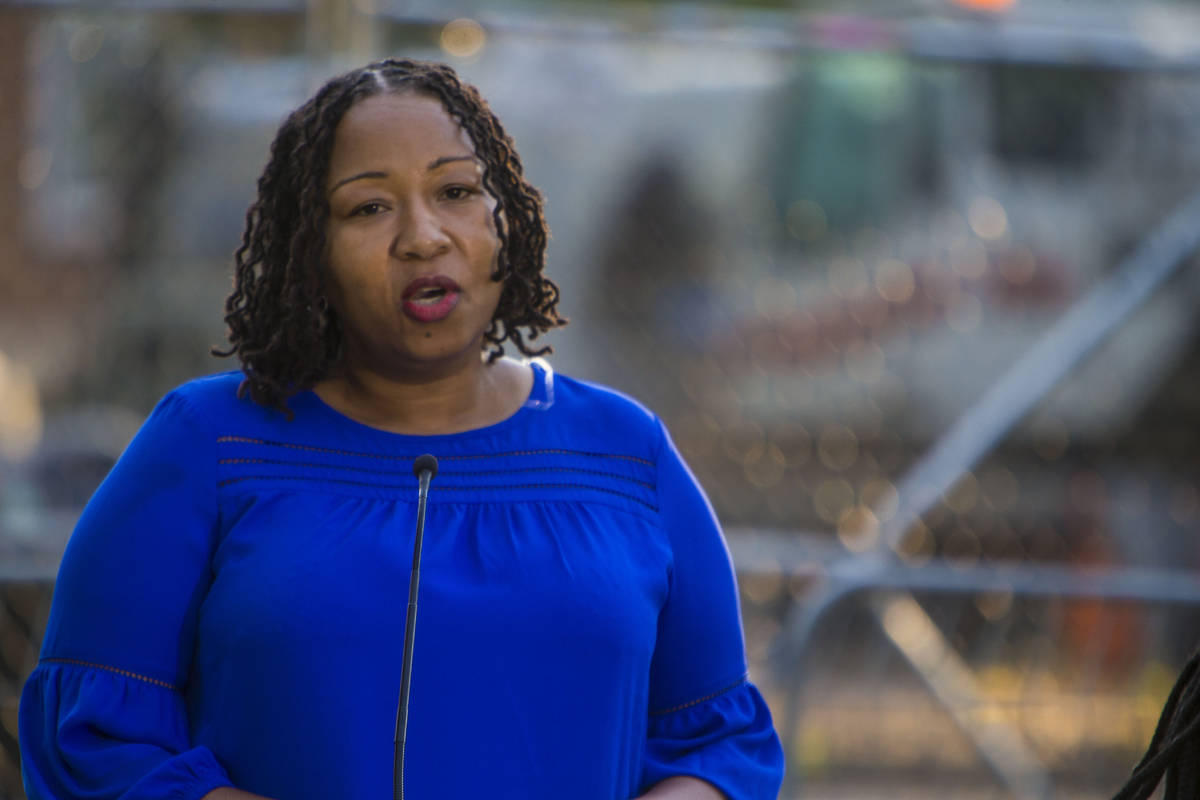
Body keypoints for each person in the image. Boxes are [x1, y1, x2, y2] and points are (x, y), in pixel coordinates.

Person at [19, 58, 785, 800]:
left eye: (456, 191)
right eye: (369, 208)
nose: (423, 236)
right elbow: (92, 745)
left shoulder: (627, 454)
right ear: (309, 252)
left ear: (505, 221)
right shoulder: (207, 444)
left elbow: (722, 743)